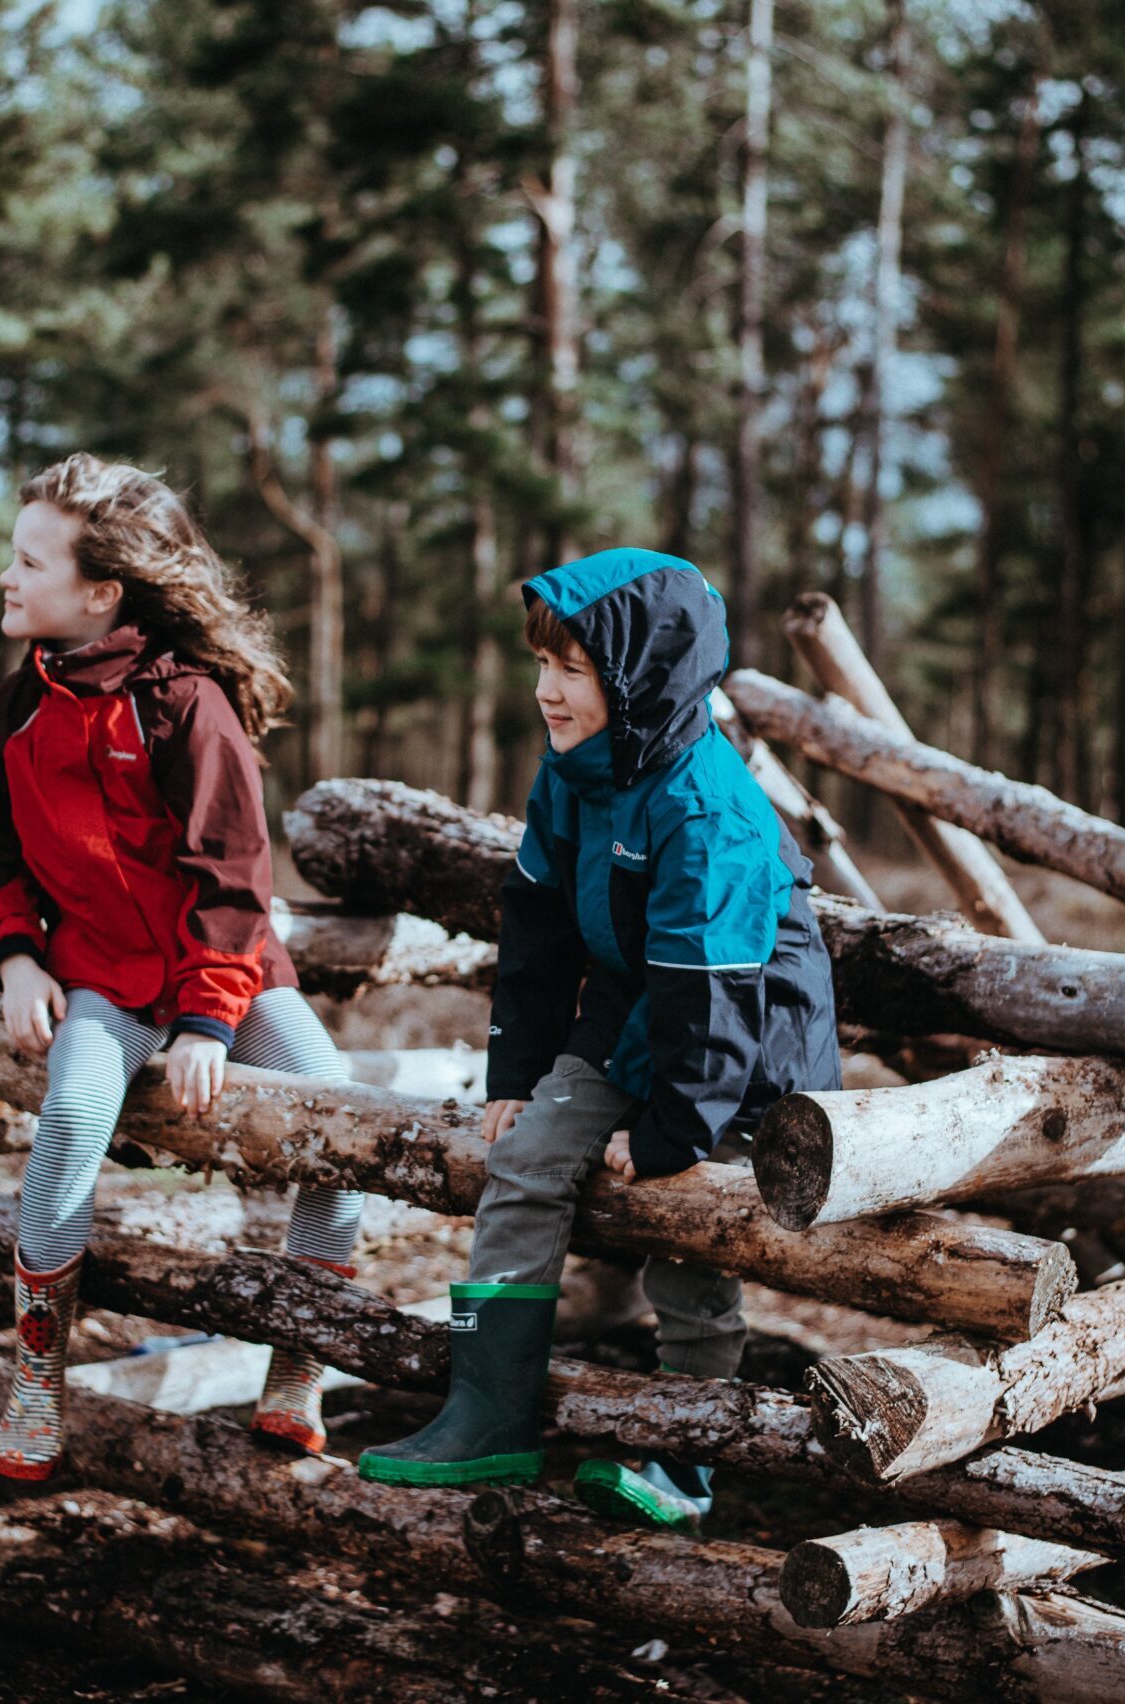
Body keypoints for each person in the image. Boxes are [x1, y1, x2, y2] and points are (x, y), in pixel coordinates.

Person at [356, 548, 840, 1528]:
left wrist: (669, 1132)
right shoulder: (574, 775)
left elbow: (712, 1001)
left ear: (639, 674)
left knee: (689, 1233)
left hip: (748, 1057)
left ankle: (687, 1462)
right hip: (631, 1021)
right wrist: (517, 1072)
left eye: (571, 669)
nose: (545, 691)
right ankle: (485, 1415)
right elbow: (533, 924)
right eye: (540, 665)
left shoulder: (706, 812)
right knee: (524, 1155)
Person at [0, 453, 362, 1481]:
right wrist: (13, 960)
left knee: (337, 1107)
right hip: (100, 976)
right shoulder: (11, 712)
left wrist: (208, 1023)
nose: (4, 576)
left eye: (27, 560)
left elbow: (231, 881)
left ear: (101, 592)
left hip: (229, 972)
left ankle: (299, 1366)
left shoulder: (187, 705)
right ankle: (38, 1378)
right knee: (73, 1115)